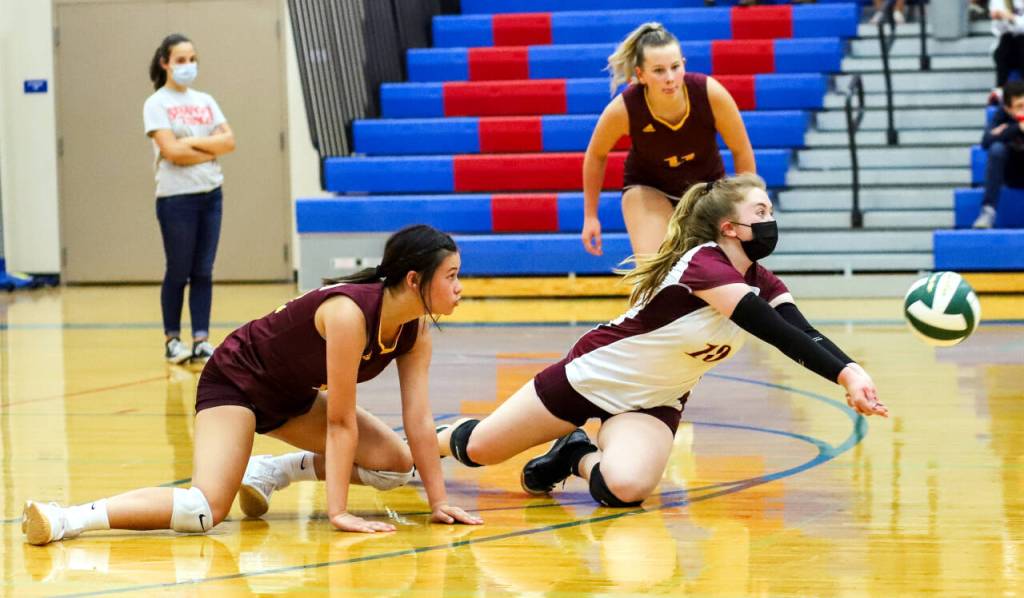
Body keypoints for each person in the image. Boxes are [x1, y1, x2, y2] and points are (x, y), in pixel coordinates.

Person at [439, 174, 887, 509]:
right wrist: (843, 374)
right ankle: (421, 447)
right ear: (729, 228)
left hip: (654, 401)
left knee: (625, 490)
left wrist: (854, 371)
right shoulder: (703, 265)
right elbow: (772, 330)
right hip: (593, 376)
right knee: (478, 450)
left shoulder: (762, 281)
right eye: (761, 213)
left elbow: (803, 330)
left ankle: (576, 454)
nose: (771, 222)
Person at [22, 225, 481, 546]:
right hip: (236, 383)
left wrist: (439, 502)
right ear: (414, 279)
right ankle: (66, 518)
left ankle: (272, 471)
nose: (460, 287)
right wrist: (338, 512)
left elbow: (418, 421)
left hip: (291, 398)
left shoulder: (415, 331)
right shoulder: (349, 314)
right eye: (452, 276)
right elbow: (341, 424)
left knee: (396, 467)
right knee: (202, 512)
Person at [581, 22, 756, 258]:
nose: (670, 78)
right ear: (640, 75)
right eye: (659, 70)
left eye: (675, 67)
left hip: (706, 190)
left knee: (718, 270)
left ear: (683, 64)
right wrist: (590, 216)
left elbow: (742, 150)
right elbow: (596, 155)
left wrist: (748, 208)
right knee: (658, 269)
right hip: (649, 189)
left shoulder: (710, 94)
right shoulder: (624, 109)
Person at [144, 34, 236, 364]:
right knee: (178, 269)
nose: (188, 66)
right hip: (176, 198)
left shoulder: (206, 100)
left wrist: (191, 148)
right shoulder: (156, 103)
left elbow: (229, 141)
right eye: (181, 60)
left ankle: (201, 339)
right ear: (165, 63)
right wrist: (207, 149)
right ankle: (172, 339)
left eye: (192, 59)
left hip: (210, 195)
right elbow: (171, 152)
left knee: (203, 271)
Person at [974, 81, 1024, 228]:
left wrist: (1005, 131)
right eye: (1020, 106)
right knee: (997, 149)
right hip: (1012, 174)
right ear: (1008, 109)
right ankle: (988, 211)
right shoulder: (1001, 115)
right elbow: (986, 141)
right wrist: (1017, 128)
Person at [988, 0, 1024, 104]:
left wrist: (1012, 18)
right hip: (1007, 48)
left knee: (1021, 40)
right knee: (1007, 38)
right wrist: (1001, 18)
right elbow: (997, 30)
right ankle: (1000, 89)